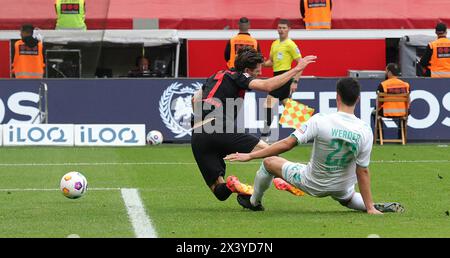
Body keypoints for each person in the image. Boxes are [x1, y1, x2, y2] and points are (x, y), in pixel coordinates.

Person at [225, 78, 405, 214]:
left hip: (311, 182)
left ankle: (254, 202)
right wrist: (370, 209)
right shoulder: (365, 130)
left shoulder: (320, 120)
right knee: (347, 196)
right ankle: (370, 206)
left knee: (269, 162)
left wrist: (250, 155)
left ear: (337, 96)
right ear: (358, 99)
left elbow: (288, 144)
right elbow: (362, 171)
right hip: (341, 187)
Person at [191, 46, 316, 202]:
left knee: (219, 191)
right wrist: (297, 68)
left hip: (197, 134)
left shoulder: (215, 76)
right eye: (257, 71)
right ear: (246, 71)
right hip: (218, 126)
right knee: (270, 151)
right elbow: (268, 86)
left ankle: (231, 185)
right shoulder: (239, 76)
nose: (260, 73)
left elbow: (194, 98)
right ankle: (284, 179)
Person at [261, 19, 302, 142]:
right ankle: (306, 128)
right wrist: (261, 63)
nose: (281, 30)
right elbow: (271, 62)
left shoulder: (291, 44)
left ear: (289, 29)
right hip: (276, 76)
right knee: (287, 104)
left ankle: (265, 134)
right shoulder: (274, 44)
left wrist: (295, 81)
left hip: (285, 76)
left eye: (284, 28)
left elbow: (301, 63)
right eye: (279, 27)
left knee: (269, 102)